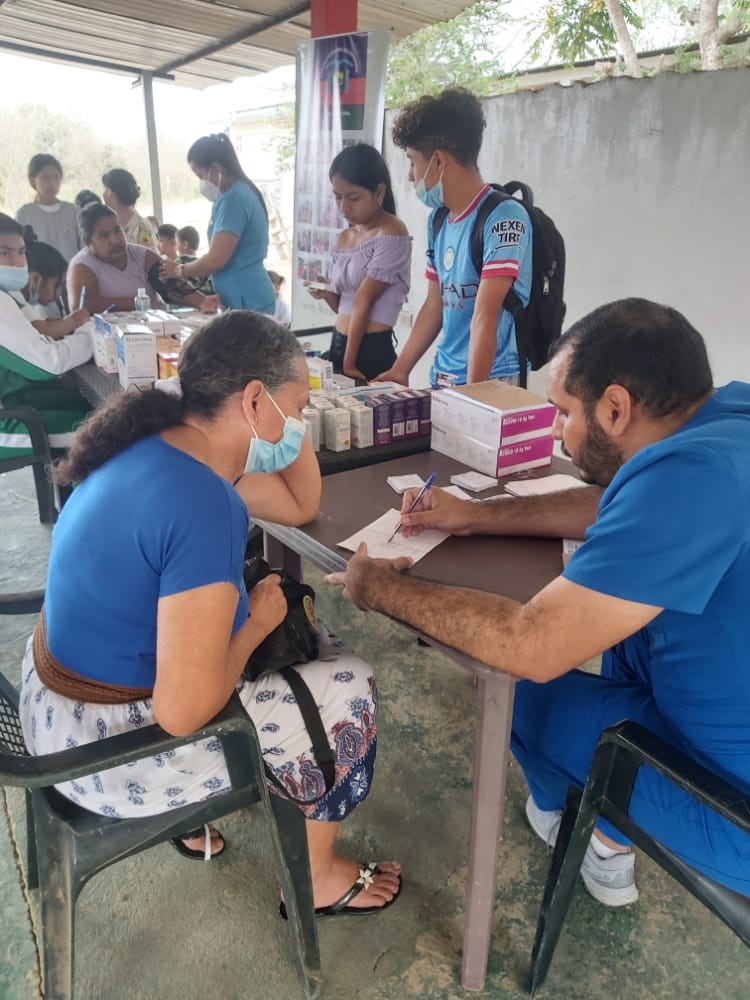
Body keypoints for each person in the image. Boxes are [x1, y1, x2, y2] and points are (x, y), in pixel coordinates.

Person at [327, 298, 750, 905]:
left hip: (733, 810)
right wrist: (475, 516)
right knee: (627, 630)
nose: (555, 430)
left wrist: (378, 588)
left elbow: (527, 644)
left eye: (564, 412)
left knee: (525, 691)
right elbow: (618, 507)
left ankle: (595, 840)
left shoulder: (690, 481)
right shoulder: (725, 421)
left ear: (615, 408)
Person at [19, 311, 401, 912]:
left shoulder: (157, 444)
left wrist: (287, 416)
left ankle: (202, 816)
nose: (299, 425)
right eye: (297, 408)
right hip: (102, 756)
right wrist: (254, 625)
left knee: (279, 632)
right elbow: (184, 712)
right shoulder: (203, 501)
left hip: (48, 708)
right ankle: (318, 877)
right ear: (253, 401)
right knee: (347, 682)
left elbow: (300, 504)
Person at [375, 88, 532, 389]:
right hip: (444, 376)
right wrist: (400, 369)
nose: (410, 175)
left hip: (493, 379)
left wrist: (473, 396)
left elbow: (485, 316)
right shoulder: (438, 220)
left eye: (413, 161)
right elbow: (435, 304)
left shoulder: (504, 217)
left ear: (438, 161)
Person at [307, 145, 411, 382]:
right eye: (337, 197)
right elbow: (345, 306)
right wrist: (326, 291)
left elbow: (363, 300)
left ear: (379, 192)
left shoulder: (392, 232)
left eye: (353, 198)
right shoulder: (346, 237)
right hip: (339, 344)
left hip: (370, 352)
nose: (344, 207)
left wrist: (349, 364)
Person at [0, 213, 92, 458]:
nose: (18, 262)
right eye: (5, 253)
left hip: (13, 401)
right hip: (5, 421)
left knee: (91, 406)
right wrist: (91, 334)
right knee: (107, 429)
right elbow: (49, 363)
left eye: (21, 252)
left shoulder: (7, 294)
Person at [160, 134, 275, 313]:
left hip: (247, 299)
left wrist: (179, 270)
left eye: (200, 175)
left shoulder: (233, 200)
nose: (201, 183)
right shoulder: (237, 194)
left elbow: (215, 260)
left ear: (216, 169)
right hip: (244, 296)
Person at [67, 204, 218, 315]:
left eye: (117, 230)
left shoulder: (141, 255)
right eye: (104, 235)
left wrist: (201, 301)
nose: (115, 240)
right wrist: (139, 303)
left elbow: (170, 284)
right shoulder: (82, 267)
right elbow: (83, 306)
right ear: (88, 242)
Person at [21, 235, 90, 339]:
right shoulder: (18, 301)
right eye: (57, 285)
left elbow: (39, 325)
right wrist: (74, 320)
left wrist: (62, 322)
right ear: (35, 279)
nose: (59, 293)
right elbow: (46, 331)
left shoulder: (23, 302)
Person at [16, 154, 80, 263]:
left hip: (72, 271)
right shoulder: (24, 214)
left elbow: (84, 247)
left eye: (56, 177)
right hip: (38, 272)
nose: (51, 183)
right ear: (32, 179)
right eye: (45, 177)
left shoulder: (73, 211)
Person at [101, 168, 158, 251]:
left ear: (110, 192)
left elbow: (151, 256)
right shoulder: (114, 224)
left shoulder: (141, 226)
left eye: (105, 189)